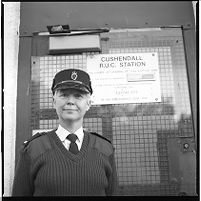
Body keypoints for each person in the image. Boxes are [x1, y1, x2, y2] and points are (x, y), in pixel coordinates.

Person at [12, 69, 117, 196]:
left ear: (88, 104)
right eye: (64, 95)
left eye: (78, 96)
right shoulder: (33, 149)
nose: (70, 101)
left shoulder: (105, 149)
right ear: (54, 101)